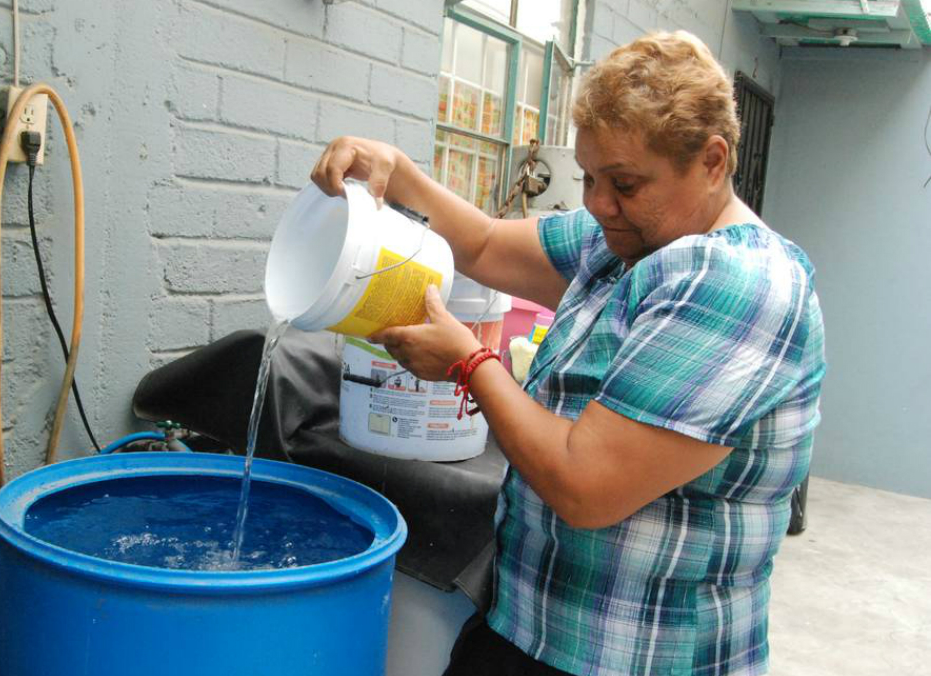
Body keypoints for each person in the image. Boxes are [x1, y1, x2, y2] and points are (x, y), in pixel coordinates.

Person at [310, 31, 825, 676]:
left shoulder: (738, 284)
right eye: (589, 176)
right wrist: (397, 170)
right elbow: (487, 246)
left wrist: (469, 364)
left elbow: (587, 489)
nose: (598, 203)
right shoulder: (628, 241)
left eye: (626, 183)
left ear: (714, 160)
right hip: (530, 627)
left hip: (635, 656)